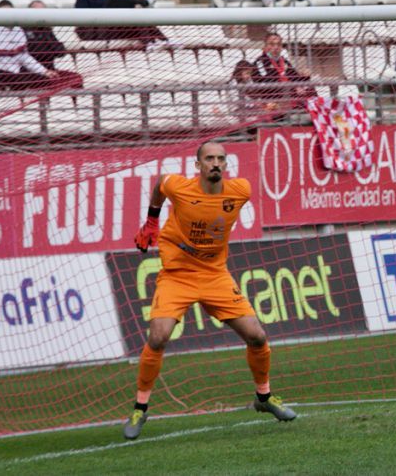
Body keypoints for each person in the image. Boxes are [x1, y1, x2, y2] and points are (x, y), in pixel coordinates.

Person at [123, 141, 297, 440]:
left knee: (257, 336)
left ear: (225, 164)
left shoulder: (241, 190)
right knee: (158, 336)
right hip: (178, 275)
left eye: (220, 159)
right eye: (209, 159)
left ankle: (265, 398)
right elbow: (159, 185)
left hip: (215, 275)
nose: (215, 163)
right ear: (198, 165)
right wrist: (151, 221)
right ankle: (140, 407)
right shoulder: (179, 187)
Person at [0, 0, 83, 91]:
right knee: (16, 79)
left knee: (44, 80)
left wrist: (44, 71)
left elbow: (24, 57)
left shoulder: (18, 31)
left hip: (16, 73)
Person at [252, 32, 315, 109]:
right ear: (265, 46)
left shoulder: (284, 61)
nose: (276, 47)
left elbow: (295, 78)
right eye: (272, 44)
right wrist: (293, 88)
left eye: (278, 44)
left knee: (310, 88)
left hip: (289, 96)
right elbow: (267, 84)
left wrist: (305, 76)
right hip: (272, 101)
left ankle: (315, 112)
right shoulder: (260, 62)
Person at [25, 0, 70, 71]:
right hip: (30, 72)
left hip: (49, 71)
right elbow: (36, 53)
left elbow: (61, 53)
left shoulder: (46, 30)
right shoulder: (24, 30)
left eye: (43, 12)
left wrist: (47, 37)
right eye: (37, 12)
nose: (40, 15)